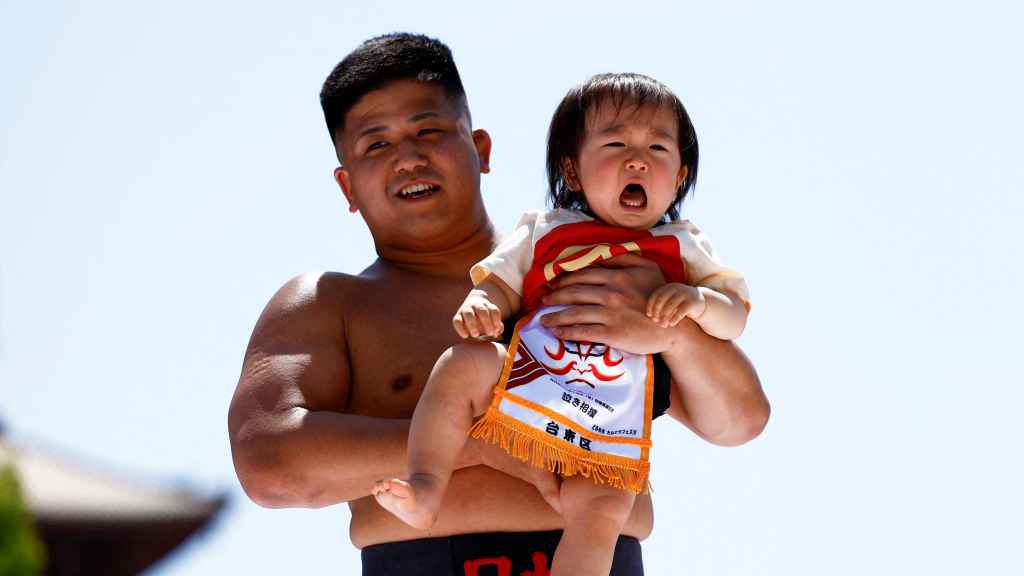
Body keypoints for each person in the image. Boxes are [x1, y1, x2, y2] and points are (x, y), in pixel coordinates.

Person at [228, 33, 770, 576]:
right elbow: (270, 467)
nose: (409, 158)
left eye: (429, 131)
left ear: (480, 148)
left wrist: (673, 331)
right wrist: (482, 442)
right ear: (347, 187)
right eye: (377, 145)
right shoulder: (329, 304)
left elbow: (739, 422)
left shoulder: (585, 264)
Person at [372, 73, 752, 576]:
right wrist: (482, 303)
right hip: (529, 378)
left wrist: (696, 302)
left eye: (658, 148)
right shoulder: (544, 228)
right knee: (461, 364)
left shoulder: (683, 246)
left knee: (599, 516)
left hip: (610, 415)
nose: (637, 159)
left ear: (679, 176)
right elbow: (500, 283)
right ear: (572, 172)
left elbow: (734, 314)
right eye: (615, 143)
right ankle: (425, 486)